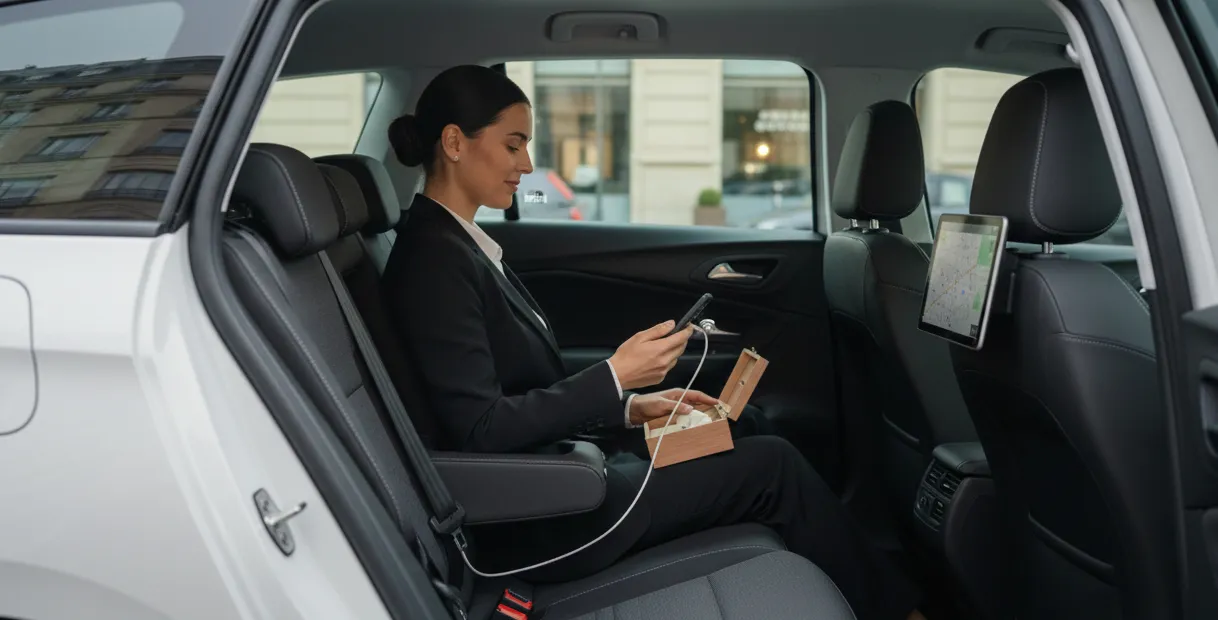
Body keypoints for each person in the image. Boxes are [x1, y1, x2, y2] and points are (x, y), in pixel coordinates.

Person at [380, 64, 926, 620]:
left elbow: (519, 386)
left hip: (562, 473)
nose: (527, 164)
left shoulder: (461, 246)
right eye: (513, 144)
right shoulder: (433, 263)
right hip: (542, 511)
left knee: (745, 426)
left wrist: (633, 407)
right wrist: (615, 376)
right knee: (774, 466)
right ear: (454, 142)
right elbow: (481, 429)